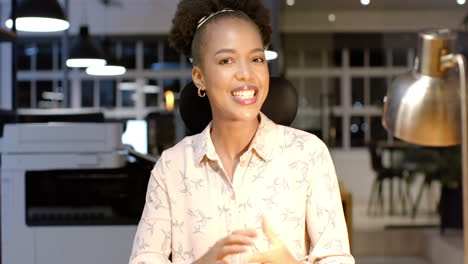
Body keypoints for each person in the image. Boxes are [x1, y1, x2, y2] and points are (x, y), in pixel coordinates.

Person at [129, 0, 355, 264]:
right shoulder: (171, 166)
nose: (246, 73)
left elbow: (337, 258)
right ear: (199, 77)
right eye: (226, 60)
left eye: (256, 59)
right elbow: (144, 259)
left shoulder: (308, 154)